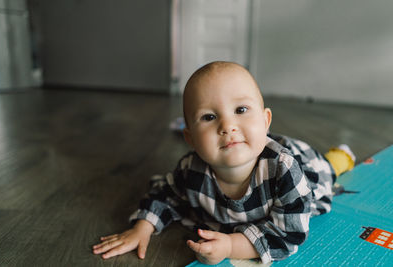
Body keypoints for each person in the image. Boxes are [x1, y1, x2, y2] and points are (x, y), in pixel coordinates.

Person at [92, 61, 355, 264]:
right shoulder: (191, 169)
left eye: (241, 110)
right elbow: (166, 195)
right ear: (190, 138)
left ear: (265, 121)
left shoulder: (285, 170)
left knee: (328, 172)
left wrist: (231, 246)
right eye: (208, 117)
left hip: (304, 164)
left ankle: (341, 157)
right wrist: (143, 227)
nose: (228, 126)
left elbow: (289, 233)